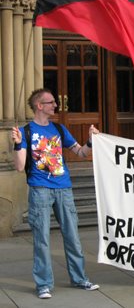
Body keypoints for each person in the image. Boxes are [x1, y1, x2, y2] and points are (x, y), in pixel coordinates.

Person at [11, 88, 100, 299]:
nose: (55, 105)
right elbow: (19, 166)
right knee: (41, 238)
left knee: (73, 237)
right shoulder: (26, 132)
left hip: (64, 188)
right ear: (39, 106)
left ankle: (79, 279)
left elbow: (80, 152)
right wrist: (16, 144)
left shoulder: (59, 130)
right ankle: (43, 284)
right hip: (40, 190)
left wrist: (90, 141)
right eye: (50, 102)